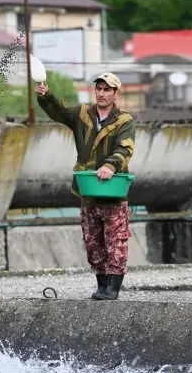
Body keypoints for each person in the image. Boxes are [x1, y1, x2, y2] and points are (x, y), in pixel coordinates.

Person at [35, 72, 136, 301]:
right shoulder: (82, 114)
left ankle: (113, 289)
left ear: (116, 94)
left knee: (116, 242)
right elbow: (59, 111)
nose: (101, 93)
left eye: (107, 90)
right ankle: (101, 285)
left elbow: (126, 148)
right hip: (88, 191)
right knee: (93, 242)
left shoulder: (124, 121)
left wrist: (111, 166)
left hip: (113, 193)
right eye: (99, 89)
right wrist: (46, 96)